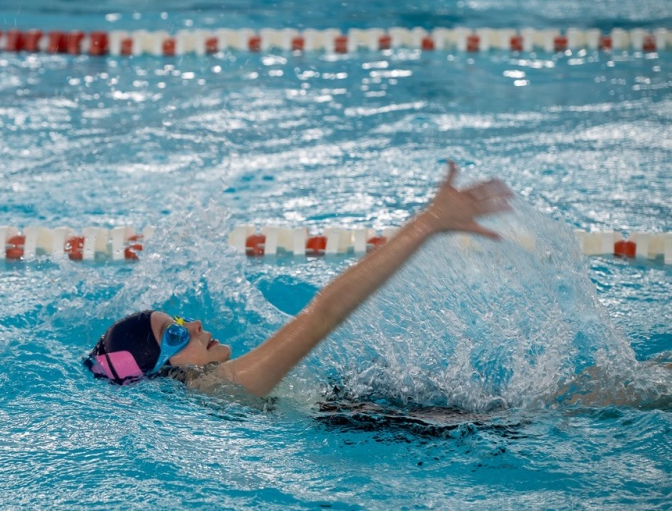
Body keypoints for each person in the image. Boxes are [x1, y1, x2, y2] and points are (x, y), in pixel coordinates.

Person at [85, 161, 514, 398]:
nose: (193, 325)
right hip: (399, 429)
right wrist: (428, 223)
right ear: (159, 371)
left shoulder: (211, 400)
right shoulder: (224, 389)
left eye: (181, 321)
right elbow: (321, 317)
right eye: (175, 335)